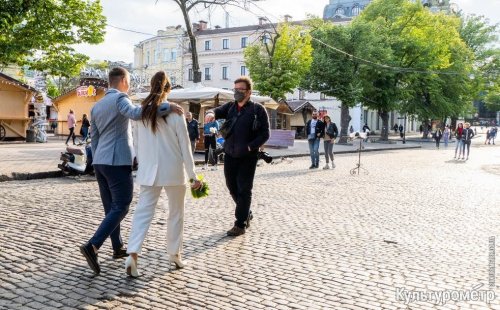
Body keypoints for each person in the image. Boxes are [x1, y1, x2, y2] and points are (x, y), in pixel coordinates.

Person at [79, 67, 183, 275]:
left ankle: (117, 247)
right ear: (124, 81)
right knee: (122, 205)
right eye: (129, 81)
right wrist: (166, 106)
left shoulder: (97, 106)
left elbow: (96, 137)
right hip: (118, 162)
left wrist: (97, 159)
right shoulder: (120, 99)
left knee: (111, 207)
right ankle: (93, 245)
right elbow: (137, 114)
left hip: (100, 162)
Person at [125, 71, 201, 277]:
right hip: (174, 171)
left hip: (149, 171)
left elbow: (138, 146)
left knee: (142, 214)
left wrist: (143, 165)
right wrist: (193, 176)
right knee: (176, 213)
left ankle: (132, 254)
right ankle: (174, 253)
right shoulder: (175, 113)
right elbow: (186, 148)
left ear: (151, 86)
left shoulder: (141, 113)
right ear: (168, 89)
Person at [212, 76, 270, 236]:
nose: (236, 92)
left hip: (248, 156)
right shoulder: (230, 107)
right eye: (235, 89)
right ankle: (246, 212)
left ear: (249, 92)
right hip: (230, 153)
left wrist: (251, 146)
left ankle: (240, 223)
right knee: (231, 187)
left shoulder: (258, 110)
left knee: (244, 189)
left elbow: (265, 133)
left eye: (240, 90)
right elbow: (217, 111)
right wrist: (211, 113)